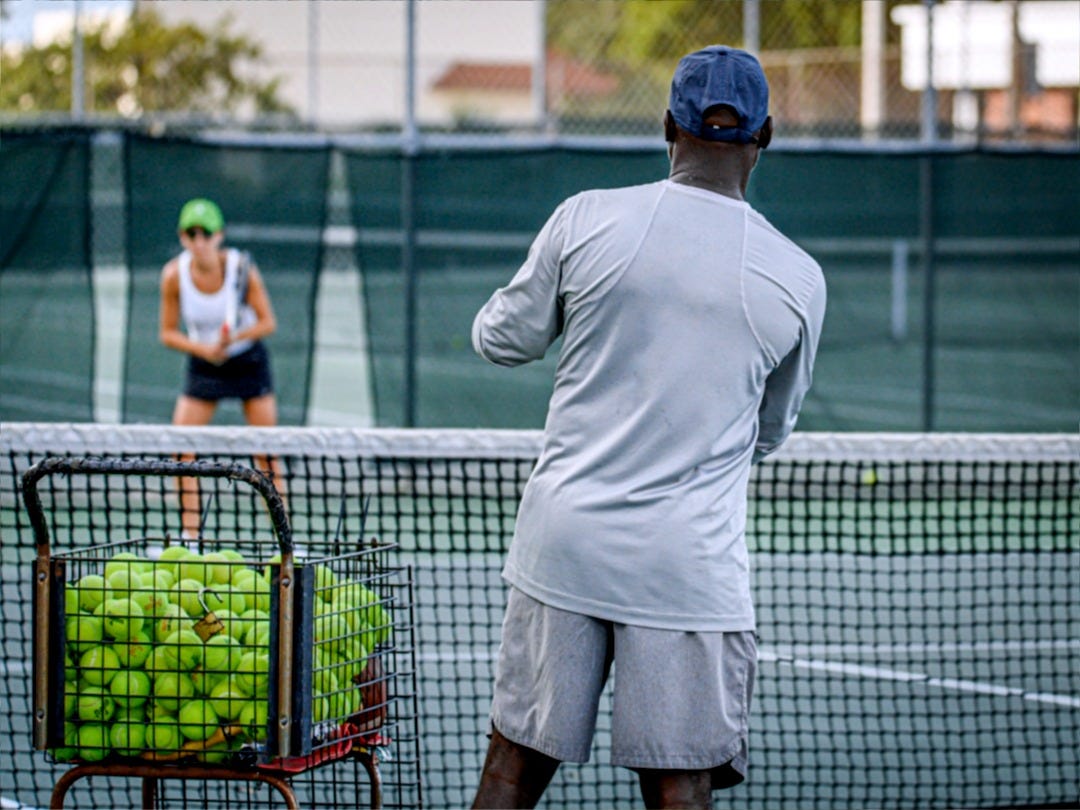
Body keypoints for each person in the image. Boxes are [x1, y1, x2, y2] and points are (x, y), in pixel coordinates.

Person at [469, 46, 826, 809]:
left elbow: (502, 340)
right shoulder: (798, 279)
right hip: (688, 567)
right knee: (678, 786)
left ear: (667, 125)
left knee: (513, 763)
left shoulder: (585, 219)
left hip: (564, 545)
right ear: (765, 139)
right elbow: (770, 429)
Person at [159, 197, 282, 538]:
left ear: (219, 236)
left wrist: (234, 338)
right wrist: (204, 349)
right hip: (204, 364)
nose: (199, 242)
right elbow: (167, 333)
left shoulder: (243, 269)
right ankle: (190, 538)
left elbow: (267, 322)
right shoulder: (173, 276)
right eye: (191, 234)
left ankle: (285, 542)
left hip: (247, 361)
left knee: (266, 453)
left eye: (206, 233)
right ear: (183, 237)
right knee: (181, 448)